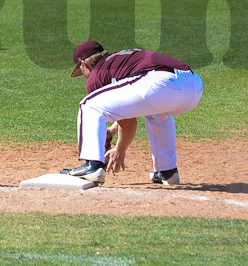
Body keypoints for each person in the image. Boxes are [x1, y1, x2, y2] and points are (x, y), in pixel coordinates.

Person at [61, 40, 203, 185]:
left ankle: (93, 165)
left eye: (82, 71)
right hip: (193, 85)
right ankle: (167, 171)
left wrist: (120, 150)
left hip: (161, 82)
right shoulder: (119, 60)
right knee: (157, 113)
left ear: (84, 64)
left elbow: (129, 124)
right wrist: (112, 131)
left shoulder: (97, 75)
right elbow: (131, 108)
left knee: (89, 105)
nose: (85, 76)